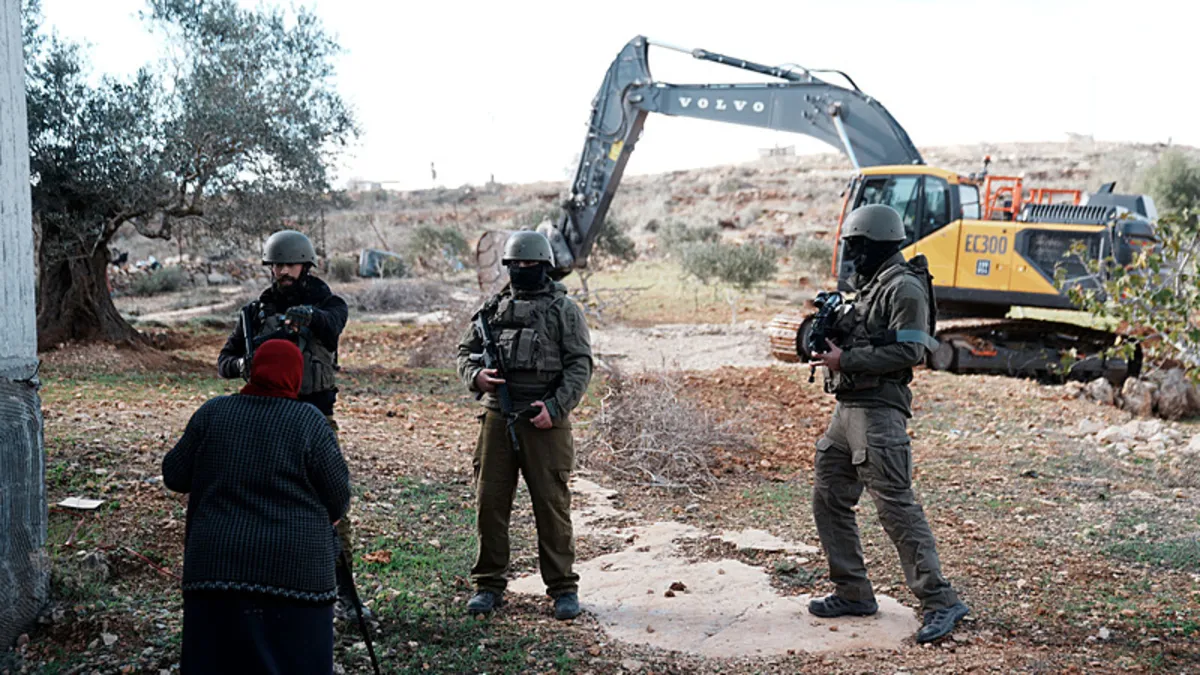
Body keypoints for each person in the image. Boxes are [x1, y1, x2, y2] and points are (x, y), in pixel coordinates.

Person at [808, 204, 969, 644]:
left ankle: (941, 601)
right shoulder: (871, 287)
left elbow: (913, 353)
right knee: (829, 496)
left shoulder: (904, 288)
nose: (853, 256)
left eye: (857, 247)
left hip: (880, 413)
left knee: (896, 508)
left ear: (875, 243)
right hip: (848, 409)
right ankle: (853, 591)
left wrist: (848, 359)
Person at [164, 339, 350, 674]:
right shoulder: (309, 421)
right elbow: (338, 497)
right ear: (296, 376)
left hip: (215, 573)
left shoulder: (213, 413)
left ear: (253, 371)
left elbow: (174, 474)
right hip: (298, 576)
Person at [216, 229, 361, 619]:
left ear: (305, 266)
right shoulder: (254, 314)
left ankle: (344, 596)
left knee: (331, 507)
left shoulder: (328, 303)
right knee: (262, 505)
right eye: (276, 265)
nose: (281, 271)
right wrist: (242, 365)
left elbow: (333, 324)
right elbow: (224, 362)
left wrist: (310, 317)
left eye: (288, 264)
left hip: (314, 417)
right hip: (264, 419)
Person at [455, 230, 593, 620]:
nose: (520, 270)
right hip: (497, 416)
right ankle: (488, 585)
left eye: (529, 265)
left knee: (552, 506)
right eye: (514, 265)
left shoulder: (564, 310)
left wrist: (556, 407)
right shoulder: (492, 308)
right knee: (490, 504)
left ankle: (563, 587)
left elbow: (580, 364)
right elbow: (466, 352)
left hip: (544, 419)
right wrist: (476, 377)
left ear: (544, 266)